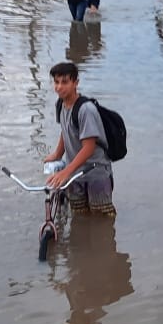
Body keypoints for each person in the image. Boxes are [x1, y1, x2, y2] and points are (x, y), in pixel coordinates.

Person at [43, 62, 115, 217]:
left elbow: (88, 147)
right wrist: (57, 154)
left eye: (64, 82)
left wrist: (66, 172)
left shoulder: (85, 110)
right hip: (74, 174)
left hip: (96, 173)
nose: (59, 87)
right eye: (56, 82)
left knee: (102, 218)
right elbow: (65, 130)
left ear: (75, 83)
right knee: (79, 216)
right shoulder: (60, 104)